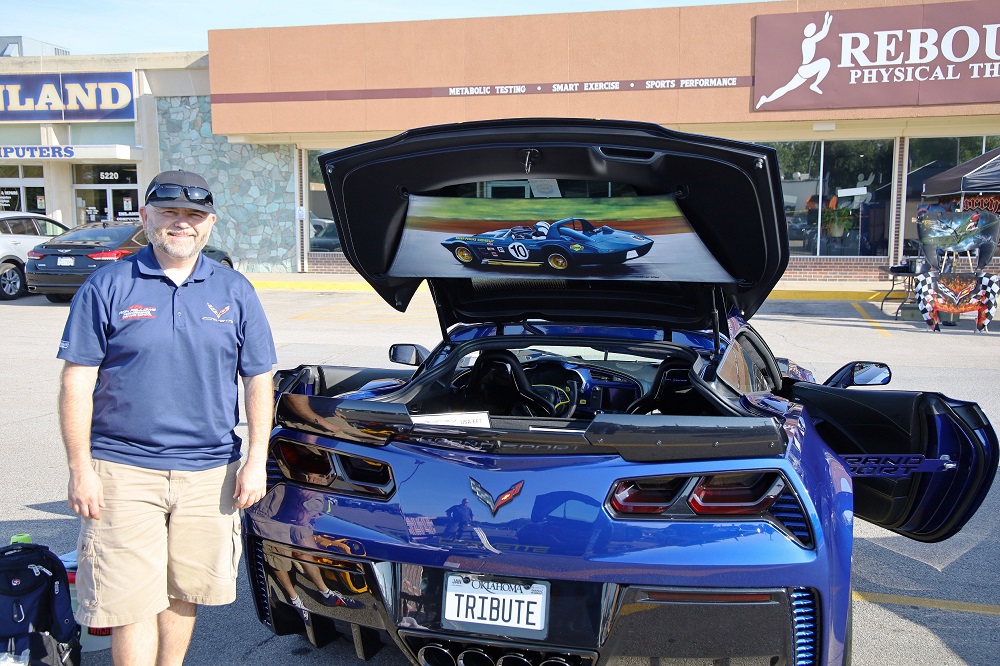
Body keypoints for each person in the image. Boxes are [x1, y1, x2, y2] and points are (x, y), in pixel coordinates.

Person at [57, 170, 277, 666]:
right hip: (122, 470)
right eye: (169, 213)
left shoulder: (234, 290)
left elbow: (259, 377)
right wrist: (80, 469)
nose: (182, 224)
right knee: (129, 599)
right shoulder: (107, 285)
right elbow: (77, 382)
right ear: (146, 218)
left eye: (194, 216)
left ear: (210, 224)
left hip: (209, 470)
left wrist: (255, 459)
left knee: (184, 590)